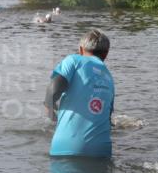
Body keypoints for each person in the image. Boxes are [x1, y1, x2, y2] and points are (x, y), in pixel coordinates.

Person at [45, 29, 115, 157]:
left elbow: (53, 90)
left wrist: (49, 110)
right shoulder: (109, 77)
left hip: (66, 148)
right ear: (106, 54)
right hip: (102, 151)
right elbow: (108, 118)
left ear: (81, 49)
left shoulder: (73, 60)